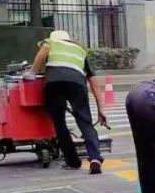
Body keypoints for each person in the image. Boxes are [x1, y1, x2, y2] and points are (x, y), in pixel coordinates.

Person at [31, 30, 107, 174]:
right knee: (85, 122)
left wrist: (33, 70)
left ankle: (72, 161)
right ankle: (95, 158)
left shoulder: (51, 43)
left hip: (54, 84)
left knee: (60, 124)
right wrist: (101, 109)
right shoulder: (80, 50)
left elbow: (45, 48)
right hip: (77, 85)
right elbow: (94, 82)